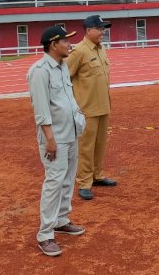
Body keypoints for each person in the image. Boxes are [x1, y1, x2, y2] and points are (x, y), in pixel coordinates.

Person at [27, 26, 86, 257]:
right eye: (65, 41)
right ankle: (45, 234)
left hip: (70, 134)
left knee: (68, 179)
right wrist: (50, 139)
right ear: (54, 44)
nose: (70, 45)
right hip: (55, 138)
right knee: (54, 182)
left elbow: (67, 100)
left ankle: (61, 219)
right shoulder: (40, 71)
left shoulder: (62, 67)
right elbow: (41, 110)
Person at [67, 15, 116, 201]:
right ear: (88, 30)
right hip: (87, 109)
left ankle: (97, 175)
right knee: (86, 147)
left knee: (100, 145)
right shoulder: (79, 51)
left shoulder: (101, 49)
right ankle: (84, 182)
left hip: (103, 106)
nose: (103, 32)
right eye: (100, 28)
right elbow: (66, 77)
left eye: (104, 29)